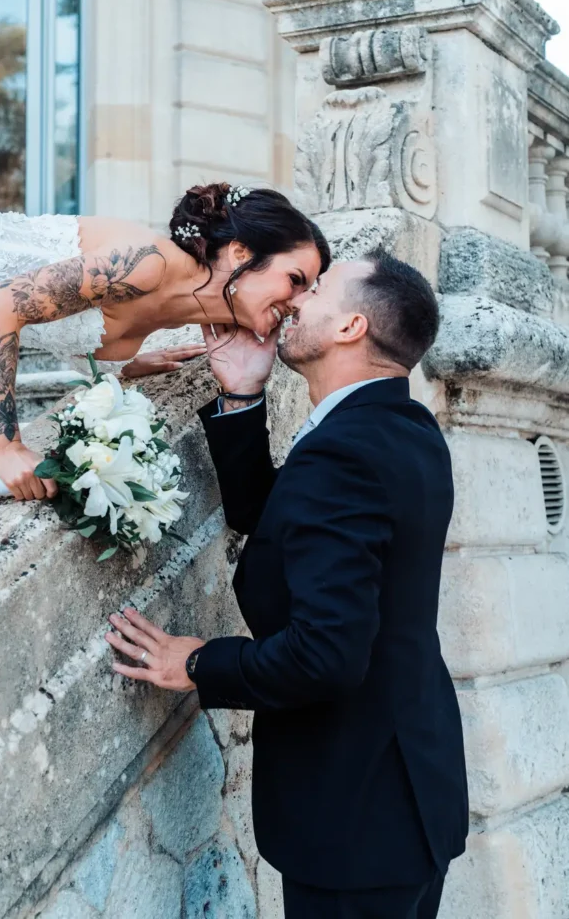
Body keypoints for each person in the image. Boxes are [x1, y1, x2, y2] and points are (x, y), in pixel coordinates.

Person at [105, 250, 469, 919]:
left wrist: (198, 662)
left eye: (318, 287)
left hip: (357, 817)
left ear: (351, 327)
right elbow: (286, 523)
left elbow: (326, 655)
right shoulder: (402, 428)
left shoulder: (346, 447)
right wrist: (243, 395)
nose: (296, 298)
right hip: (407, 796)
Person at [0, 183, 329, 533]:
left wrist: (128, 363)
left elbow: (74, 320)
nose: (299, 303)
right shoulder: (146, 264)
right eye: (295, 279)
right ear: (241, 253)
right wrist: (7, 448)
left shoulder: (182, 308)